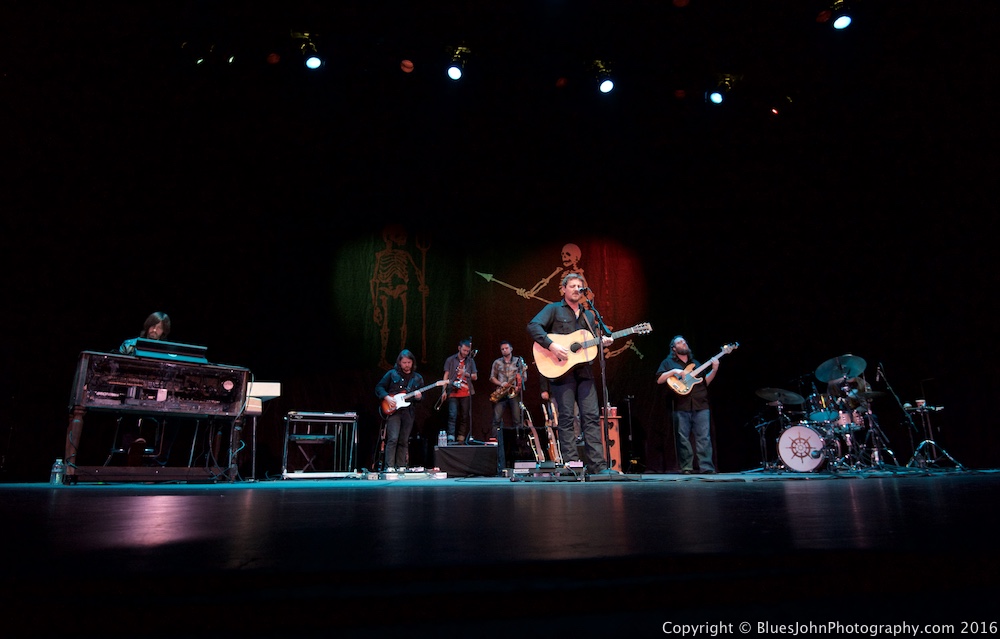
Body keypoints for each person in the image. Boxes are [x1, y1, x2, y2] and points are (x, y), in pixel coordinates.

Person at [527, 273, 614, 475]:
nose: (576, 289)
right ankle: (572, 466)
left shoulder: (589, 315)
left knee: (591, 417)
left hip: (584, 372)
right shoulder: (553, 309)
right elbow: (533, 326)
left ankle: (598, 467)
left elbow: (589, 341)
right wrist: (552, 345)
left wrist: (603, 341)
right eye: (573, 286)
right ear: (564, 289)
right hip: (561, 371)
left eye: (580, 286)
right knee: (566, 418)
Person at [656, 336, 719, 474]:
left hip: (700, 403)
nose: (683, 343)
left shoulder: (696, 363)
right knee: (683, 438)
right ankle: (687, 468)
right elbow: (660, 380)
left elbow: (705, 382)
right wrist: (674, 371)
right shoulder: (668, 362)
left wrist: (714, 370)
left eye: (684, 341)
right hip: (681, 404)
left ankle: (706, 467)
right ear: (674, 348)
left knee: (704, 437)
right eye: (679, 342)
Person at [375, 349, 425, 471]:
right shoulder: (392, 374)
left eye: (409, 362)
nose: (407, 365)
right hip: (394, 410)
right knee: (393, 438)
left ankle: (401, 466)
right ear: (399, 363)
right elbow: (379, 387)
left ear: (412, 362)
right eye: (404, 362)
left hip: (408, 412)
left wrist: (419, 397)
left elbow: (422, 398)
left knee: (404, 439)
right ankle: (390, 466)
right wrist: (387, 397)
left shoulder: (417, 378)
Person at [489, 340, 526, 473]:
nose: (504, 350)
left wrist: (517, 385)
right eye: (502, 349)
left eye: (506, 348)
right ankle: (496, 443)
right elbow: (491, 377)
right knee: (496, 419)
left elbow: (524, 377)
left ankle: (519, 444)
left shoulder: (518, 362)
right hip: (501, 392)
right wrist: (501, 384)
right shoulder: (497, 362)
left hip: (513, 393)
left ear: (511, 348)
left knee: (517, 420)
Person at [441, 338, 478, 444]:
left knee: (464, 415)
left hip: (466, 392)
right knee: (452, 414)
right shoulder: (450, 360)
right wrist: (443, 391)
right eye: (464, 350)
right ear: (459, 348)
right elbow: (446, 375)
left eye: (468, 351)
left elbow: (475, 376)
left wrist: (465, 373)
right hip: (453, 391)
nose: (466, 353)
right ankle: (451, 437)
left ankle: (461, 437)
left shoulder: (470, 361)